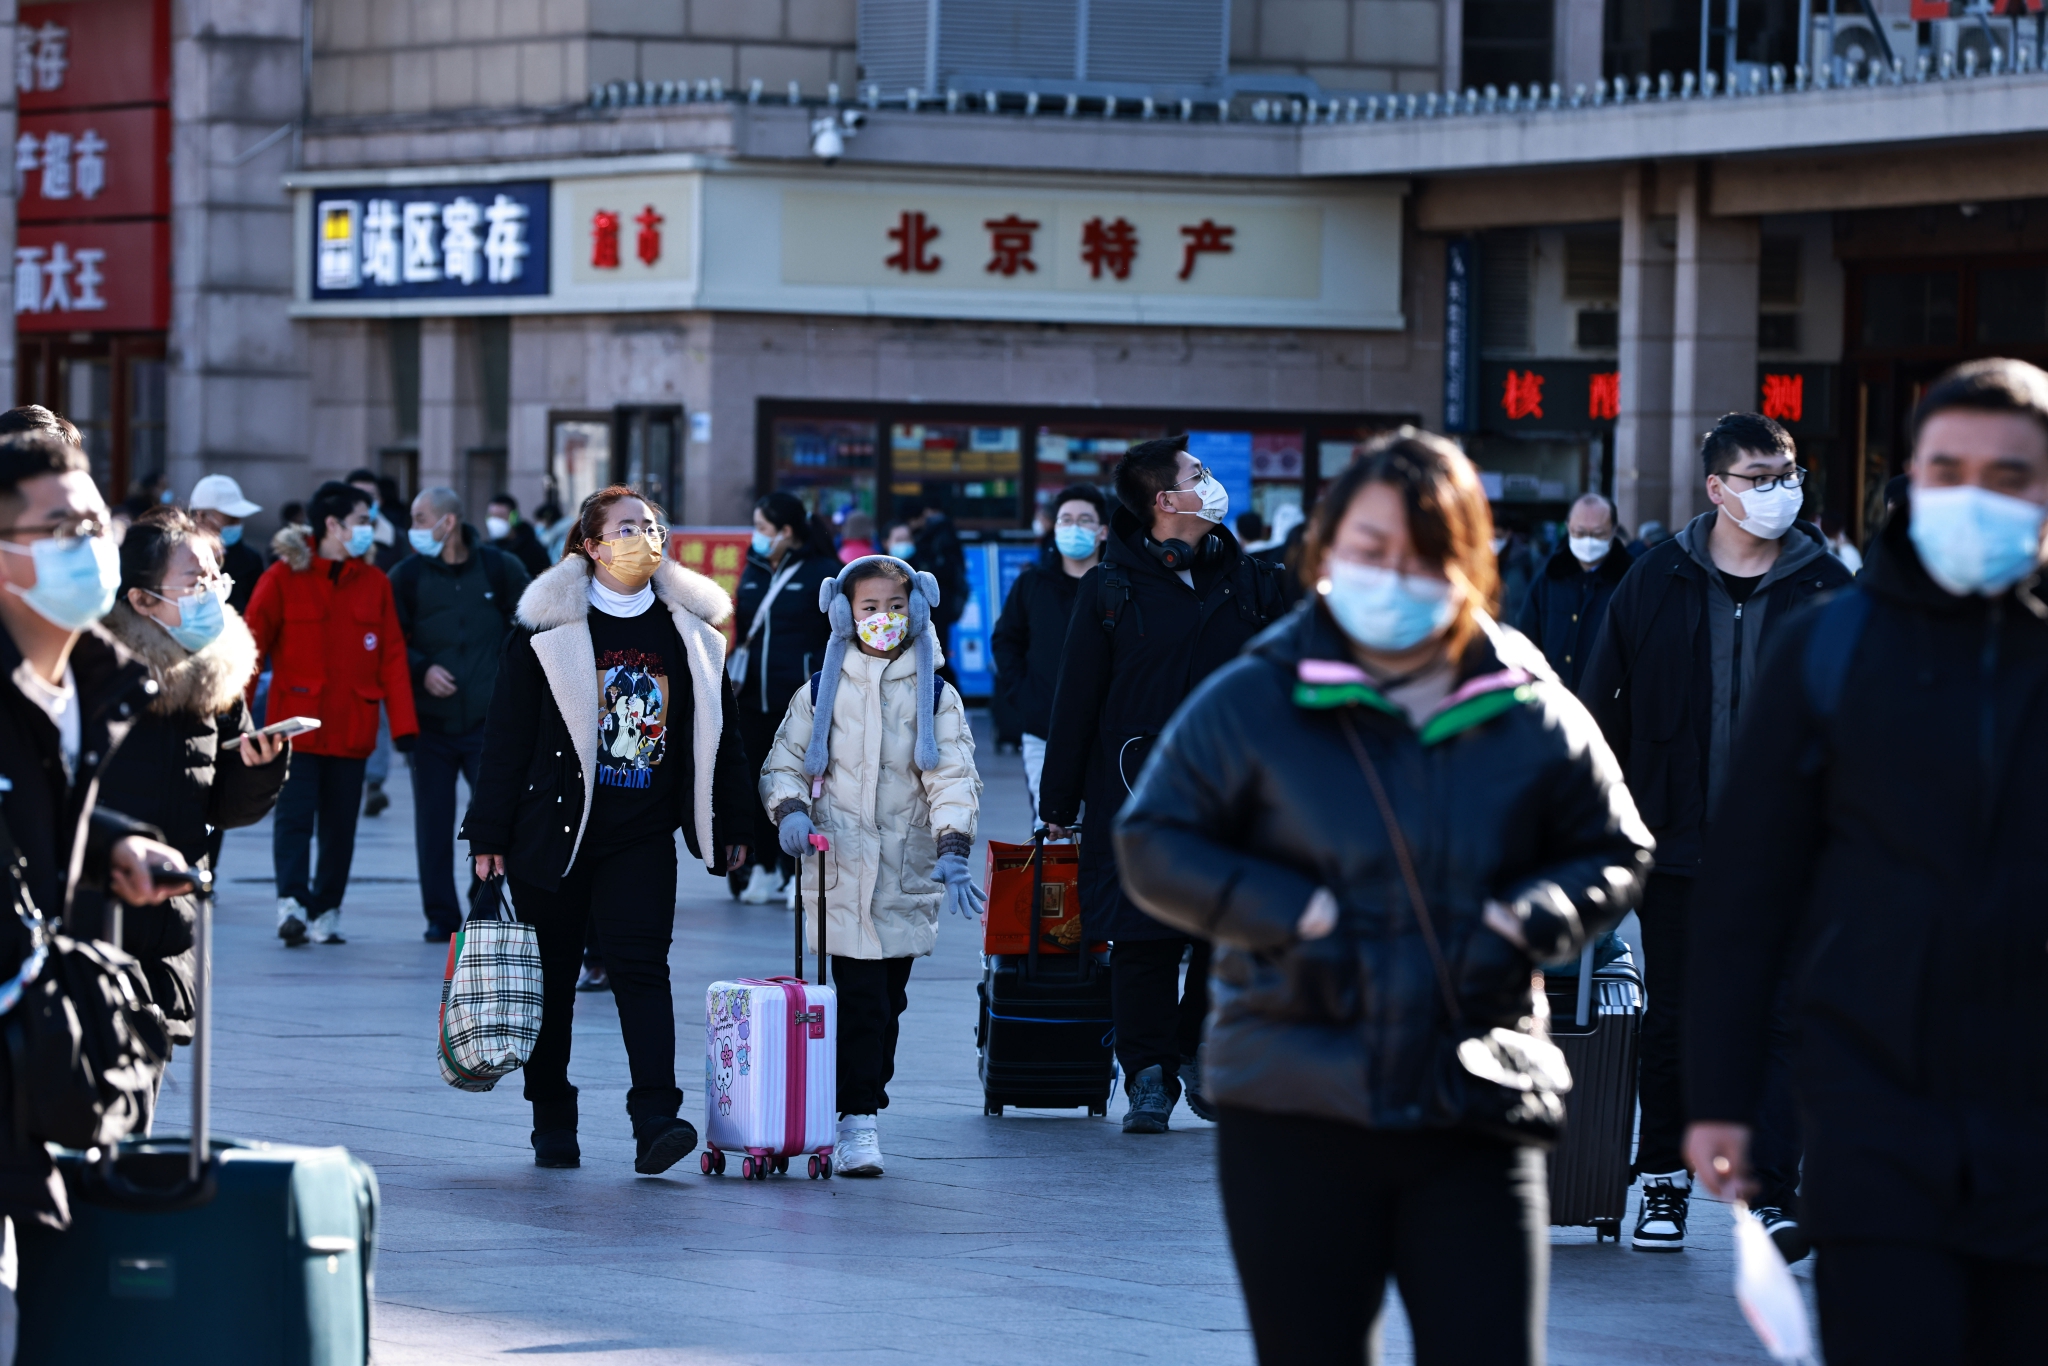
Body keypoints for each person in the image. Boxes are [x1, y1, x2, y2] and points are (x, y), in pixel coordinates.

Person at [1115, 429, 1652, 1366]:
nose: (1392, 571)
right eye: (1368, 547)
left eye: (1422, 548)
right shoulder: (1263, 693)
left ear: (1468, 556)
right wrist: (1290, 911)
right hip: (1293, 1097)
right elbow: (1153, 839)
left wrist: (1526, 920)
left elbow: (1612, 845)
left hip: (1479, 1094)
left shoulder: (1522, 692)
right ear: (1327, 554)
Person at [1686, 358, 2048, 1361]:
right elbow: (1746, 890)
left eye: (2008, 475)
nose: (1974, 496)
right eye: (1948, 468)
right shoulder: (1825, 648)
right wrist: (1714, 1095)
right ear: (1909, 481)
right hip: (1872, 1118)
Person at [1579, 411, 1852, 1254]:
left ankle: (1774, 1191)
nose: (1780, 490)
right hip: (1677, 842)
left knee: (1782, 1019)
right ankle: (1661, 1180)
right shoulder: (1655, 578)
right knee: (1675, 1022)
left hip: (1789, 850)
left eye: (1789, 472)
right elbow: (1597, 711)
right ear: (1716, 489)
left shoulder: (1826, 585)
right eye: (1761, 477)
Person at [463, 485, 754, 1174]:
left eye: (652, 525)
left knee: (642, 970)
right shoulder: (545, 631)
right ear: (590, 545)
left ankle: (655, 1116)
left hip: (642, 834)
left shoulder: (688, 631)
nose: (643, 537)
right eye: (625, 527)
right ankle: (551, 1118)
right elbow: (506, 738)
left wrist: (736, 819)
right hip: (552, 832)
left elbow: (724, 735)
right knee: (554, 979)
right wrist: (487, 835)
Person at [1037, 436, 1291, 1133]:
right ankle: (1147, 1075)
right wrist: (1059, 802)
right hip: (1134, 790)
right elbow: (1075, 702)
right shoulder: (1110, 590)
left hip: (1236, 794)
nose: (1211, 484)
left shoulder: (1256, 583)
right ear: (1165, 500)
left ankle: (1192, 1053)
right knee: (1140, 936)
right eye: (1197, 475)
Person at [0, 431, 190, 1250]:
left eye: (94, 525)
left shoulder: (95, 682)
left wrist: (109, 842)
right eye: (60, 529)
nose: (90, 546)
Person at [759, 555, 983, 1178]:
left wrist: (953, 848)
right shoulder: (820, 689)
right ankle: (858, 1119)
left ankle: (855, 1102)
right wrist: (790, 811)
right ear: (843, 612)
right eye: (867, 607)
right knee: (859, 999)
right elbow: (783, 761)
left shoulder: (935, 691)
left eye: (893, 606)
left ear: (915, 608)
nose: (881, 618)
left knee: (889, 1000)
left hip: (905, 869)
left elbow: (953, 776)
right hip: (839, 870)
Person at [84, 508, 288, 1125]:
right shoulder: (93, 674)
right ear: (143, 600)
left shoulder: (218, 675)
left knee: (146, 1070)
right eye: (195, 582)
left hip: (174, 912)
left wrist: (259, 766)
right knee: (90, 1075)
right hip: (95, 902)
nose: (213, 594)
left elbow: (224, 807)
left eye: (216, 579)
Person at [245, 480, 420, 947]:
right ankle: (292, 904)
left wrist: (404, 728)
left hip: (352, 725)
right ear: (332, 524)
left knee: (340, 828)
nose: (369, 530)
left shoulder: (375, 583)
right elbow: (250, 648)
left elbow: (393, 657)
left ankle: (327, 911)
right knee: (294, 819)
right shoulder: (282, 577)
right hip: (295, 727)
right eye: (363, 521)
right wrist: (237, 716)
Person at [389, 488, 532, 941]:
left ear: (447, 522)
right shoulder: (405, 576)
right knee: (432, 823)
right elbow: (392, 641)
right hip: (430, 725)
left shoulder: (499, 567)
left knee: (491, 818)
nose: (412, 526)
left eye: (420, 516)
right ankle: (439, 915)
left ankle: (483, 905)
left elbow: (531, 627)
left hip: (489, 725)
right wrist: (421, 668)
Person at [729, 492, 837, 904]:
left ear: (786, 531)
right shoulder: (754, 568)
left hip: (800, 701)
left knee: (800, 788)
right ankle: (763, 867)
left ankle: (799, 872)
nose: (756, 537)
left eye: (763, 528)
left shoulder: (824, 573)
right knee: (758, 783)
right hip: (752, 697)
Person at [991, 483, 1106, 815]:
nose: (1074, 527)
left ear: (1102, 531)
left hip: (1105, 734)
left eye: (1084, 520)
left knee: (1100, 834)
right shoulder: (1033, 583)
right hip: (1044, 729)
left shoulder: (1117, 585)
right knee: (1051, 828)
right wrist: (1026, 697)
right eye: (1065, 519)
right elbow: (1006, 641)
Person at [1514, 492, 1631, 693]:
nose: (1588, 541)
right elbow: (1526, 640)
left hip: (1608, 708)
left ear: (1613, 531)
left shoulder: (1631, 581)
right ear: (1568, 527)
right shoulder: (1548, 578)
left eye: (1598, 533)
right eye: (1580, 532)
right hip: (1553, 703)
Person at [186, 473, 266, 616]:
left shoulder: (251, 559)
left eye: (237, 518)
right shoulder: (180, 558)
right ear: (201, 516)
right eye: (229, 517)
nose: (236, 524)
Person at [897, 498, 965, 653]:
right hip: (938, 601)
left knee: (933, 648)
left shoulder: (934, 536)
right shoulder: (938, 533)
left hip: (938, 601)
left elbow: (946, 571)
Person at [487, 493, 552, 577]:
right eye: (492, 516)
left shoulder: (535, 550)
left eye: (500, 516)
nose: (495, 521)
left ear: (513, 517)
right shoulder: (489, 549)